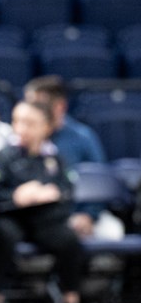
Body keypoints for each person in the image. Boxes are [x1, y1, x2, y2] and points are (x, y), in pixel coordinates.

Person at [0, 100, 86, 303]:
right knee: (3, 236)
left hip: (45, 220)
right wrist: (15, 196)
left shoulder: (55, 158)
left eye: (30, 123)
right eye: (17, 121)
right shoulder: (3, 156)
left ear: (46, 127)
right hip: (12, 218)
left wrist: (52, 192)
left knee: (69, 240)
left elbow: (68, 190)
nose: (22, 128)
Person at [23, 75, 111, 239]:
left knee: (111, 232)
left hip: (78, 214)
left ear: (60, 106)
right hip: (36, 218)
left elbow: (100, 182)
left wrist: (89, 214)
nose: (31, 110)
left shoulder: (83, 137)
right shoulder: (20, 139)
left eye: (38, 105)